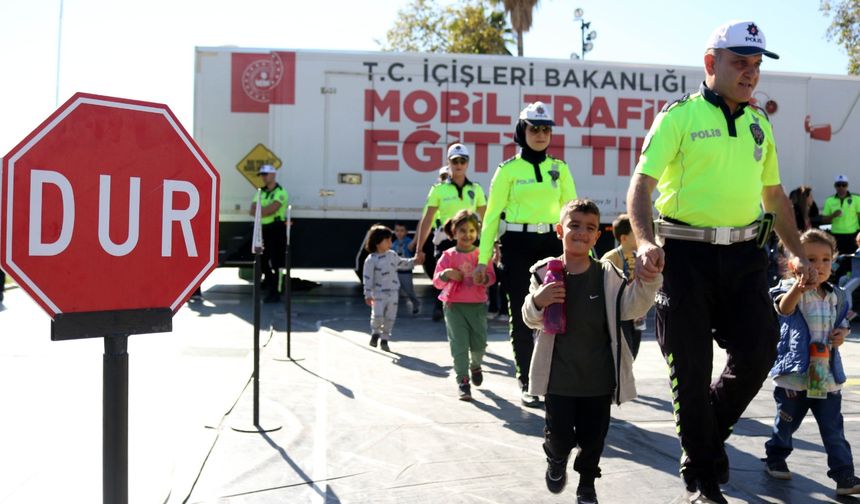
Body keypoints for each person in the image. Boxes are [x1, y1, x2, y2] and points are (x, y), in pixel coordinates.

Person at [626, 20, 819, 504]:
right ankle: (706, 478)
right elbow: (641, 188)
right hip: (684, 258)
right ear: (712, 64)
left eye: (756, 65)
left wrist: (796, 251)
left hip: (744, 259)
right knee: (689, 370)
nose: (750, 73)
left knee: (758, 351)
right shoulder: (678, 117)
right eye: (740, 62)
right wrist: (646, 242)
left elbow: (774, 198)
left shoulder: (760, 122)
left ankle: (703, 441)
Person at [522, 199, 662, 504]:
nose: (581, 233)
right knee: (559, 438)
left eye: (590, 228)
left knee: (593, 440)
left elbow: (631, 308)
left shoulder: (608, 275)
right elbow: (529, 317)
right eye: (574, 225)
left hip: (598, 380)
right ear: (560, 230)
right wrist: (539, 300)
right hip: (558, 380)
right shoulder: (545, 272)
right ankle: (556, 459)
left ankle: (587, 484)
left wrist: (648, 281)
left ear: (598, 236)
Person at [473, 101, 578, 408]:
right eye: (535, 128)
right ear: (522, 131)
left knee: (558, 314)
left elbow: (572, 212)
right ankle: (528, 381)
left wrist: (583, 253)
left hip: (551, 246)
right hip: (517, 246)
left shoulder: (560, 168)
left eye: (546, 129)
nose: (541, 134)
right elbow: (491, 217)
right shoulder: (507, 171)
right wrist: (482, 260)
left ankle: (553, 379)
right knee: (524, 315)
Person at [763, 229, 860, 495]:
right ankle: (775, 455)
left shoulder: (837, 295)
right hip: (794, 376)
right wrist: (799, 285)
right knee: (787, 423)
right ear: (794, 263)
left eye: (826, 259)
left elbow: (842, 321)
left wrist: (843, 334)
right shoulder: (787, 289)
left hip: (825, 376)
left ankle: (844, 476)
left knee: (833, 429)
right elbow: (784, 308)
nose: (819, 266)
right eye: (811, 259)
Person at [415, 144, 487, 322]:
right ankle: (441, 304)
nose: (459, 164)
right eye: (455, 161)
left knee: (469, 275)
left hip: (470, 240)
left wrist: (491, 244)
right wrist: (419, 248)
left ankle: (467, 310)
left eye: (463, 161)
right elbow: (428, 218)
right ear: (448, 162)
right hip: (446, 239)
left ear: (468, 163)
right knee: (444, 273)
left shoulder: (476, 189)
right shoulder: (438, 189)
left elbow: (486, 219)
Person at [432, 210, 496, 401]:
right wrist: (446, 274)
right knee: (459, 346)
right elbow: (437, 281)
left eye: (471, 230)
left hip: (477, 306)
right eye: (462, 230)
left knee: (479, 344)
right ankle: (463, 381)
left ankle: (475, 365)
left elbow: (492, 277)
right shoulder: (448, 256)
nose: (467, 235)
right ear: (454, 231)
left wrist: (483, 277)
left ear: (477, 233)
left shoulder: (481, 255)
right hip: (454, 307)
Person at [362, 224, 421, 352]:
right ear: (377, 242)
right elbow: (367, 278)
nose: (390, 242)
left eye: (390, 239)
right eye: (387, 240)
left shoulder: (392, 255)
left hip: (393, 293)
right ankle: (375, 332)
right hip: (378, 293)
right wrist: (367, 294)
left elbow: (403, 263)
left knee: (390, 317)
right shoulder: (371, 260)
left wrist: (415, 261)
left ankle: (385, 338)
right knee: (378, 316)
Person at [599, 213, 645, 359]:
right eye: (636, 233)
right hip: (619, 314)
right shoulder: (610, 258)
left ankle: (625, 377)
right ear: (624, 238)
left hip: (636, 314)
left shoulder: (641, 256)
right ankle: (620, 380)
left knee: (633, 353)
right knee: (623, 353)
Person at [249, 164, 288, 303]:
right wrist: (261, 211)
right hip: (263, 229)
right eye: (262, 175)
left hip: (276, 229)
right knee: (262, 260)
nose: (264, 178)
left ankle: (276, 292)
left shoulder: (281, 192)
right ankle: (270, 284)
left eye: (266, 174)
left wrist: (261, 211)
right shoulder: (260, 192)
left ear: (273, 175)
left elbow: (271, 209)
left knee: (276, 262)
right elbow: (252, 210)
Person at [822, 175, 860, 256]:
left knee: (853, 258)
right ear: (835, 186)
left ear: (847, 185)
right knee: (837, 258)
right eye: (839, 185)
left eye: (844, 185)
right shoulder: (829, 200)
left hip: (852, 235)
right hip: (836, 235)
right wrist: (833, 215)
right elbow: (824, 220)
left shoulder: (856, 199)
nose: (841, 187)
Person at [392, 223, 421, 315]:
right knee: (394, 291)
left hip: (406, 272)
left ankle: (416, 303)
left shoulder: (409, 242)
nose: (399, 233)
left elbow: (412, 247)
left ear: (406, 232)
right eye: (397, 231)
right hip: (396, 271)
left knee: (409, 290)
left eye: (402, 231)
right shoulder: (393, 243)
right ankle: (392, 309)